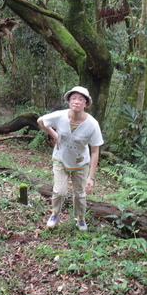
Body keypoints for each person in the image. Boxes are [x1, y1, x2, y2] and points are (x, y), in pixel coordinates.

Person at [37, 86, 103, 232]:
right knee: (60, 192)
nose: (77, 102)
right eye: (74, 98)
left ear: (86, 104)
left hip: (81, 163)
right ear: (68, 101)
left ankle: (80, 218)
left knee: (79, 194)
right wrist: (55, 136)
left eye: (81, 99)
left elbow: (95, 151)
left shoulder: (92, 124)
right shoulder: (60, 116)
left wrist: (91, 177)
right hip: (60, 159)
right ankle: (54, 214)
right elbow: (41, 121)